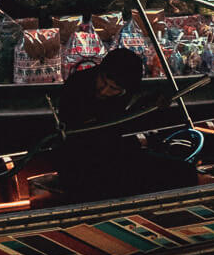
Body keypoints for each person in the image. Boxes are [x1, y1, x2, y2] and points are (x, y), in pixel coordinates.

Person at [50, 49, 197, 200]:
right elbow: (83, 132)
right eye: (103, 82)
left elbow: (134, 114)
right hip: (80, 159)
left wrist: (156, 102)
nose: (104, 90)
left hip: (112, 151)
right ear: (100, 71)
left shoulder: (129, 88)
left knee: (184, 172)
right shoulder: (78, 84)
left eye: (113, 89)